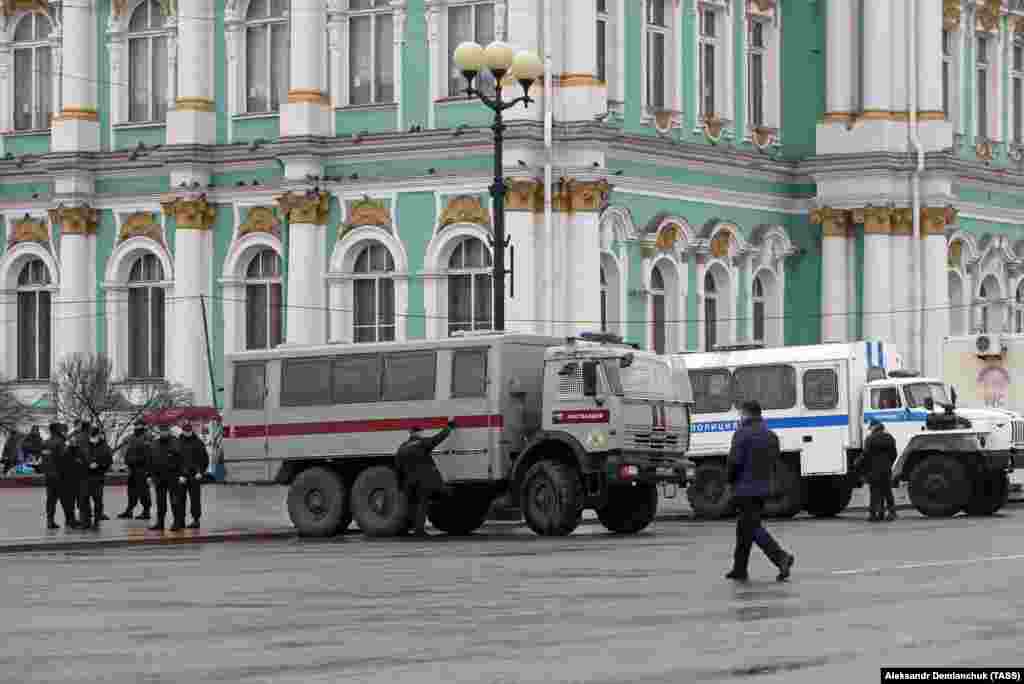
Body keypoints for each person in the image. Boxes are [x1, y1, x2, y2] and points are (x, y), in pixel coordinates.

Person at [725, 401, 795, 582]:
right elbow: (775, 462)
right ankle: (739, 568)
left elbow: (734, 462)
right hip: (764, 488)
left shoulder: (741, 434)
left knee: (751, 527)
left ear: (746, 414)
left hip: (745, 488)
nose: (739, 417)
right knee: (744, 527)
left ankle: (781, 558)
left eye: (740, 413)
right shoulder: (770, 435)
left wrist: (729, 481)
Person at [394, 420, 456, 536]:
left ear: (410, 433)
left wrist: (399, 485)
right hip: (423, 481)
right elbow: (438, 438)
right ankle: (419, 530)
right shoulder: (422, 443)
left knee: (409, 506)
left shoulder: (402, 447)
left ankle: (403, 529)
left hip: (409, 482)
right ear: (419, 433)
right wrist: (448, 428)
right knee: (422, 504)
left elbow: (398, 467)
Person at [39, 423, 78, 530]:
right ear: (57, 430)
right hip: (61, 475)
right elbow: (65, 458)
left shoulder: (45, 443)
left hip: (49, 476)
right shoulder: (60, 443)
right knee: (67, 499)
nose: (63, 431)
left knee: (51, 500)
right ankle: (70, 520)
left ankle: (50, 521)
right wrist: (73, 449)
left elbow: (44, 459)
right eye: (61, 429)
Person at [147, 424, 185, 532]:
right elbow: (150, 461)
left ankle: (177, 522)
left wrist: (182, 474)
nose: (163, 433)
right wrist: (149, 475)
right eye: (161, 431)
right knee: (160, 502)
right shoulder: (155, 444)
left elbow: (182, 460)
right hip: (159, 477)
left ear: (169, 431)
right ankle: (160, 523)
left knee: (175, 501)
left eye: (165, 431)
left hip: (173, 476)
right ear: (159, 432)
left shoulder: (176, 442)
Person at [861, 419, 898, 522]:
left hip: (873, 469)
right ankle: (891, 512)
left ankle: (874, 514)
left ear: (874, 427)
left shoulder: (870, 439)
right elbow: (894, 454)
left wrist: (860, 465)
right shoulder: (889, 438)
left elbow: (866, 455)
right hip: (886, 469)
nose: (870, 429)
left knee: (874, 492)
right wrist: (888, 464)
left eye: (871, 427)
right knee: (887, 491)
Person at [177, 421, 209, 529]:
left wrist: (201, 472)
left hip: (195, 475)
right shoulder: (177, 442)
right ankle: (180, 520)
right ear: (182, 431)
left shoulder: (198, 442)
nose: (187, 433)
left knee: (195, 499)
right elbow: (174, 460)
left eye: (188, 431)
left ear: (191, 431)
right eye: (185, 431)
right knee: (180, 499)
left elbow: (204, 459)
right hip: (182, 476)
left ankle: (196, 520)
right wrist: (178, 474)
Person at [118, 422, 152, 520]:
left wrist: (148, 472)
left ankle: (146, 511)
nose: (136, 427)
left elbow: (149, 456)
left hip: (142, 469)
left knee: (143, 491)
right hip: (132, 468)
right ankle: (129, 510)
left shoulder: (147, 438)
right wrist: (126, 462)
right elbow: (128, 451)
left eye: (138, 425)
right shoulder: (132, 437)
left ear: (143, 426)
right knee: (131, 490)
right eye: (135, 425)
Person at [81, 428, 113, 528]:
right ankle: (86, 521)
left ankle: (97, 521)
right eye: (92, 436)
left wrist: (99, 465)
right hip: (85, 477)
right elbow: (79, 459)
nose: (93, 438)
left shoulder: (105, 447)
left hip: (98, 477)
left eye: (95, 436)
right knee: (84, 500)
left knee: (98, 500)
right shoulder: (84, 446)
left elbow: (109, 461)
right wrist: (86, 465)